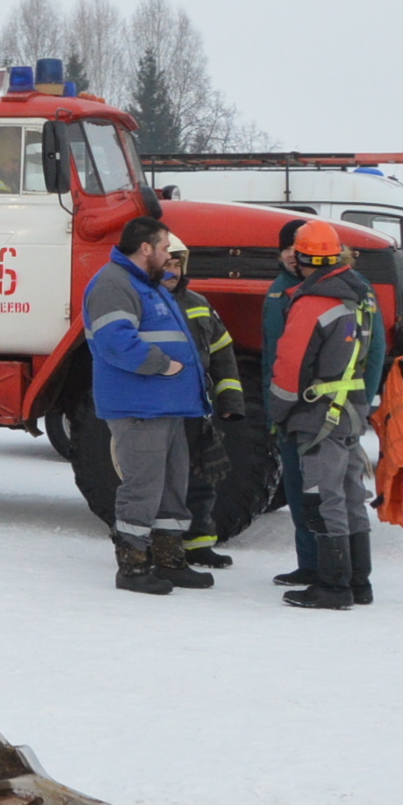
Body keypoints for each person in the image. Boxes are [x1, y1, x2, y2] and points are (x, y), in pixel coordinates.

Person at [85, 214, 208, 594]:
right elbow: (114, 342)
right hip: (139, 405)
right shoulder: (113, 283)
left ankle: (170, 559)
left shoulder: (145, 284)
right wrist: (163, 365)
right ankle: (133, 566)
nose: (169, 255)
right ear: (146, 249)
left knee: (172, 485)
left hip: (164, 404)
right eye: (165, 248)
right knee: (142, 488)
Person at [270, 219, 377, 610]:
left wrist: (278, 413)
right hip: (351, 408)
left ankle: (333, 586)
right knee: (350, 494)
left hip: (318, 414)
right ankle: (357, 581)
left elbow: (289, 365)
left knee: (322, 495)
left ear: (300, 258)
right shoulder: (358, 294)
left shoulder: (313, 302)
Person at [159, 233, 246, 573]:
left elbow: (223, 355)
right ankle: (163, 545)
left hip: (197, 407)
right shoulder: (144, 302)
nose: (173, 270)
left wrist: (230, 400)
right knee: (164, 479)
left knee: (202, 475)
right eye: (167, 262)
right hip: (161, 408)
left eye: (177, 263)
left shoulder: (197, 302)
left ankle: (199, 543)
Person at [262, 220, 325, 589]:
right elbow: (273, 355)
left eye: (298, 251)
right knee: (300, 491)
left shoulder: (326, 292)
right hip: (287, 407)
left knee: (322, 492)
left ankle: (329, 568)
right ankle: (309, 564)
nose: (292, 257)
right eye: (287, 250)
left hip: (319, 410)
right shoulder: (277, 293)